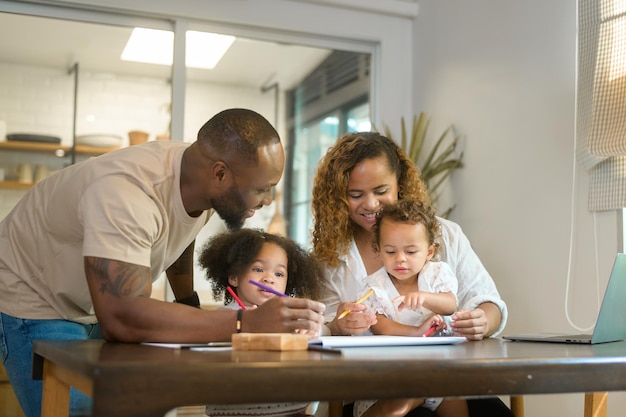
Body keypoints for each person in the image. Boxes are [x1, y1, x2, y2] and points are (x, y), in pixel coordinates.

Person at [0, 108, 325, 417]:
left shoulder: (200, 177)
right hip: (32, 294)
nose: (268, 200)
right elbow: (120, 318)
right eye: (262, 189)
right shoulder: (126, 193)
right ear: (221, 174)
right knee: (81, 410)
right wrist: (246, 322)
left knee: (129, 402)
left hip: (87, 300)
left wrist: (188, 303)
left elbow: (181, 232)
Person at [310, 131, 512, 417]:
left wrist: (483, 321)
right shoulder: (329, 256)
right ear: (338, 197)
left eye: (381, 191)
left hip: (446, 380)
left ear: (400, 185)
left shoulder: (445, 235)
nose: (370, 204)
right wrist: (339, 324)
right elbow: (321, 331)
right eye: (356, 195)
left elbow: (487, 302)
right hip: (367, 391)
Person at [354, 199, 467, 417]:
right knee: (392, 409)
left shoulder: (436, 274)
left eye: (411, 251)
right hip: (394, 376)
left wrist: (426, 297)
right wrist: (415, 332)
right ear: (378, 249)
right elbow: (379, 326)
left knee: (458, 405)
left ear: (430, 251)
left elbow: (450, 304)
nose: (400, 259)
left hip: (441, 372)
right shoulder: (374, 288)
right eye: (390, 251)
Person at [199, 227, 324, 417]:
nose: (269, 279)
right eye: (258, 269)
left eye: (279, 274)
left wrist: (306, 337)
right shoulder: (223, 318)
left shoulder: (291, 319)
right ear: (234, 277)